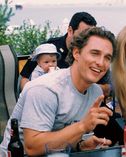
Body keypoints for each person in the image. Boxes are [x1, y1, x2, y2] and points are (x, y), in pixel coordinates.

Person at [0, 27, 116, 156]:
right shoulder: (46, 89)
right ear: (76, 53)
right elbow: (32, 147)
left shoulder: (95, 93)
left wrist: (81, 145)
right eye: (95, 53)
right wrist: (82, 126)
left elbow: (65, 137)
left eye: (107, 57)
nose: (101, 62)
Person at [20, 12, 112, 96]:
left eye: (90, 35)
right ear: (70, 31)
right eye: (83, 35)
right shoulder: (47, 48)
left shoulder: (97, 56)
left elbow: (108, 87)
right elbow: (24, 78)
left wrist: (84, 89)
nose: (87, 39)